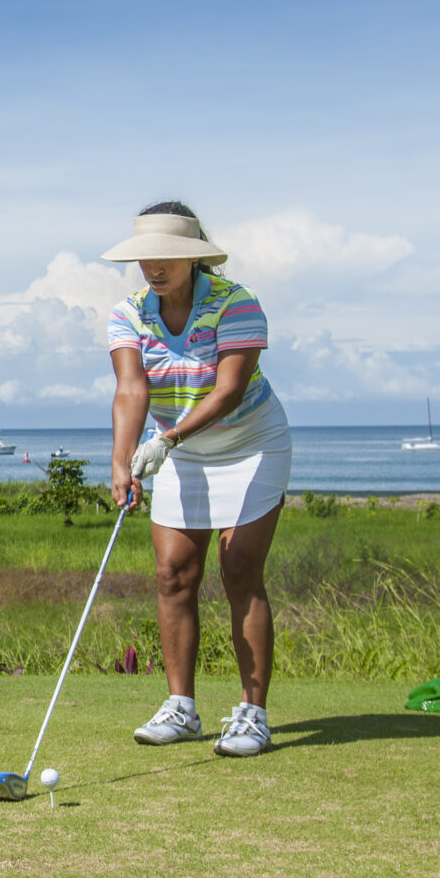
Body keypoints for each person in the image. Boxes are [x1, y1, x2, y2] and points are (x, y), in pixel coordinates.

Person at [103, 202, 293, 758]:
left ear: (194, 256)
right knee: (173, 575)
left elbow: (229, 389)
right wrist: (122, 462)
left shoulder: (237, 303)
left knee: (239, 569)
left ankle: (252, 715)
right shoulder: (129, 313)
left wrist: (166, 440)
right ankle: (181, 708)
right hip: (179, 450)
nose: (154, 267)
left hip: (249, 443)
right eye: (146, 258)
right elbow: (132, 390)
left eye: (167, 257)